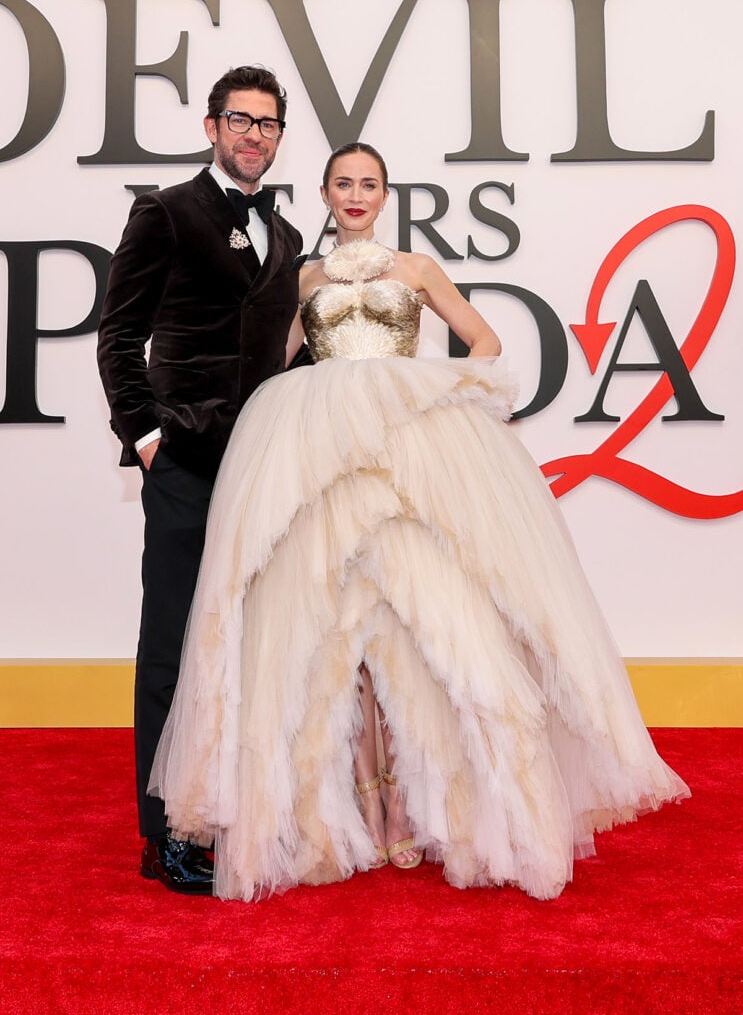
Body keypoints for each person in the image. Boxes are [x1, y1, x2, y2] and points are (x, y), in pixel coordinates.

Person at [150, 143, 689, 902]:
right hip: (327, 452)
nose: (356, 195)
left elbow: (485, 341)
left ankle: (432, 812)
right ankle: (352, 815)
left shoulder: (415, 269)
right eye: (344, 184)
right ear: (327, 194)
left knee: (432, 618)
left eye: (369, 183)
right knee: (329, 627)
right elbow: (270, 364)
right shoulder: (301, 277)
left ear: (385, 194)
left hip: (406, 452)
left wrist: (432, 388)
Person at [97, 65, 305, 895]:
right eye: (240, 120)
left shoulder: (286, 238)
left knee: (252, 646)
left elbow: (288, 357)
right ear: (212, 127)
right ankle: (166, 833)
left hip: (262, 468)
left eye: (268, 124)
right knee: (172, 650)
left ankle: (239, 809)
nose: (254, 135)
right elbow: (119, 336)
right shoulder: (167, 210)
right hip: (184, 461)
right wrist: (147, 439)